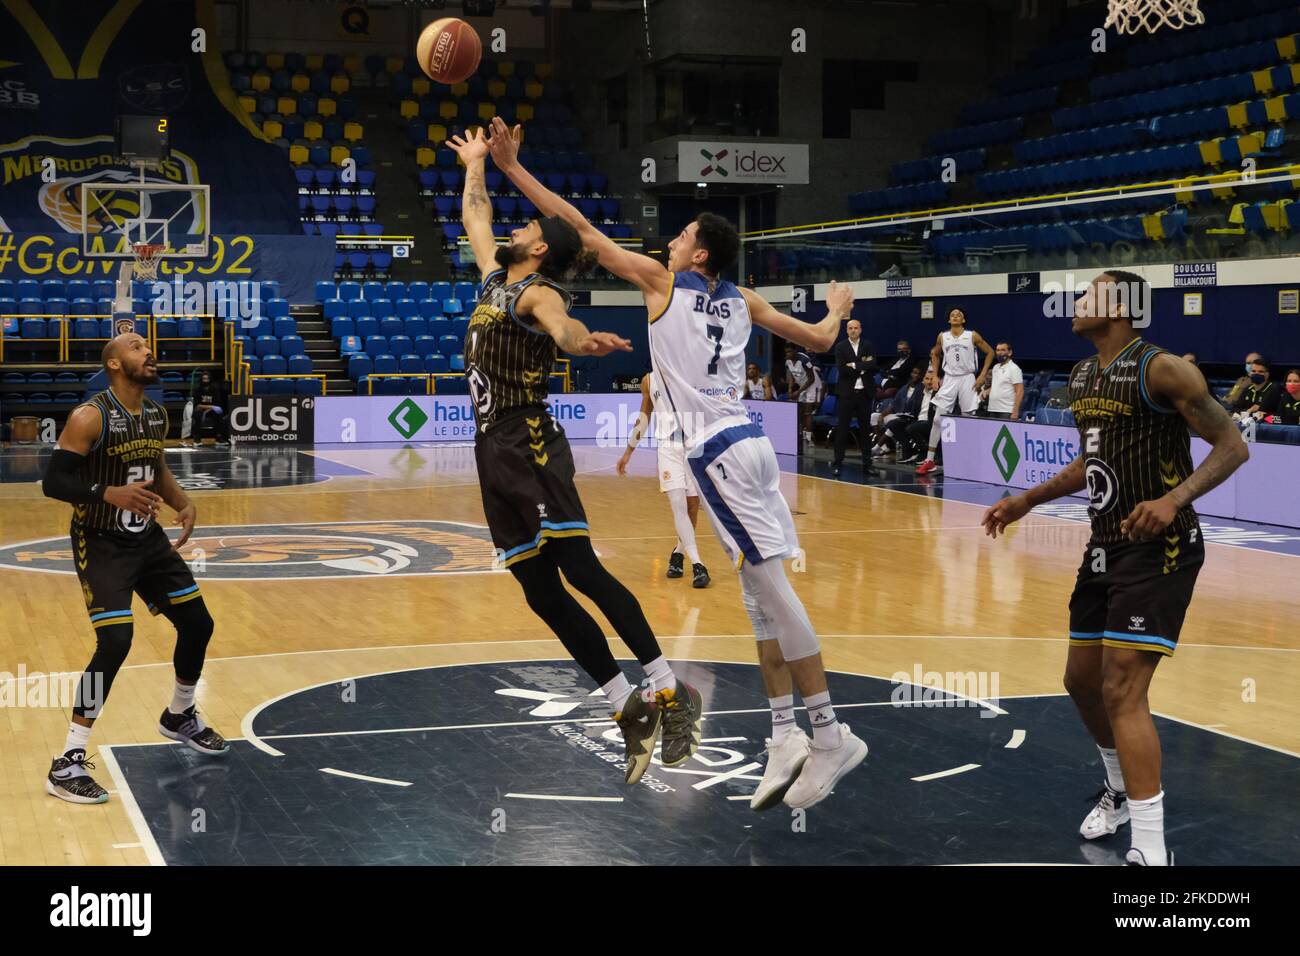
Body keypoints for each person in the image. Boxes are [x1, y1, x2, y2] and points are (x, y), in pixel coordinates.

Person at [489, 116, 867, 811]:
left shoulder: (664, 283)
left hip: (719, 451)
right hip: (751, 442)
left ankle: (829, 732)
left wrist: (513, 169)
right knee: (756, 599)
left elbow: (578, 227)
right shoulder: (744, 299)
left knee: (776, 596)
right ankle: (784, 734)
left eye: (684, 233)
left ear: (699, 256)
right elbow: (818, 339)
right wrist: (839, 309)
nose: (672, 238)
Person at [446, 127, 703, 785]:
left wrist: (582, 342)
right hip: (492, 451)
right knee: (538, 590)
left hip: (529, 441)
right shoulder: (495, 278)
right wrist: (475, 164)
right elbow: (476, 217)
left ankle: (670, 689)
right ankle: (625, 705)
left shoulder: (539, 293)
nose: (516, 227)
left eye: (528, 225)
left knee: (579, 568)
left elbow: (564, 328)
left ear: (539, 248)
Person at [982, 270, 1249, 866]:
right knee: (1081, 681)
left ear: (1120, 305)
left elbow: (1234, 446)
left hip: (1163, 547)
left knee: (1122, 687)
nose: (1077, 302)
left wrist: (1174, 498)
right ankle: (1121, 789)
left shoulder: (1162, 369)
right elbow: (1090, 460)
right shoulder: (1082, 375)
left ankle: (1151, 847)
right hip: (1105, 544)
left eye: (1088, 293)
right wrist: (1028, 499)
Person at [40, 333, 228, 804]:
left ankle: (179, 714)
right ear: (113, 363)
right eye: (136, 346)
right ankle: (68, 761)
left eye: (147, 345)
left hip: (147, 538)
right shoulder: (89, 416)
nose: (148, 351)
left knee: (198, 623)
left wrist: (182, 502)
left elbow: (156, 468)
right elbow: (53, 481)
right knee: (116, 641)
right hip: (101, 541)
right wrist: (108, 493)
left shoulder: (155, 413)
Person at [616, 371, 711, 588]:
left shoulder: (690, 371)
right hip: (668, 447)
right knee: (678, 504)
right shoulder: (649, 380)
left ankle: (678, 553)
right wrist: (629, 451)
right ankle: (698, 564)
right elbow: (643, 418)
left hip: (695, 446)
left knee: (692, 507)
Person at [916, 307, 993, 474]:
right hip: (950, 378)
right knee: (938, 419)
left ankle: (972, 459)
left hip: (967, 378)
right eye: (952, 315)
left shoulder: (972, 335)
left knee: (968, 419)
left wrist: (982, 375)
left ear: (963, 320)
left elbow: (990, 353)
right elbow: (935, 354)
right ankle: (929, 460)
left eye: (959, 314)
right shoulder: (942, 336)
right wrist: (935, 375)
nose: (955, 316)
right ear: (949, 320)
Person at [831, 318, 878, 477]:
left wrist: (854, 365)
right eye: (850, 328)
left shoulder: (867, 345)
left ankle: (868, 464)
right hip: (846, 394)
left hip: (864, 393)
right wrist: (862, 366)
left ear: (860, 329)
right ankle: (837, 463)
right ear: (846, 330)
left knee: (865, 430)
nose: (853, 330)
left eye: (856, 328)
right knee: (842, 430)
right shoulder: (840, 347)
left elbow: (873, 365)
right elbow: (842, 369)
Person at [875, 364, 926, 457]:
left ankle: (878, 447)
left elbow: (917, 408)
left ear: (921, 376)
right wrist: (882, 415)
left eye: (918, 373)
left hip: (911, 416)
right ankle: (884, 447)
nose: (915, 375)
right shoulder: (905, 387)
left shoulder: (921, 388)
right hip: (900, 413)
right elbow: (894, 405)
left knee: (892, 423)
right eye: (914, 372)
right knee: (874, 417)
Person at [784, 342, 824, 445]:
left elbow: (811, 378)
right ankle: (802, 434)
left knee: (808, 411)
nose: (788, 354)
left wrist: (798, 392)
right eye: (786, 352)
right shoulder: (788, 361)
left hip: (813, 385)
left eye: (790, 351)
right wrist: (790, 389)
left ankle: (809, 439)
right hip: (802, 385)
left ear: (795, 351)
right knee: (800, 411)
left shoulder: (804, 360)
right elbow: (792, 376)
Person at [900, 368, 940, 464]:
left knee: (911, 428)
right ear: (923, 380)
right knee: (895, 424)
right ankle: (909, 452)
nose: (929, 382)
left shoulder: (938, 393)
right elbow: (914, 409)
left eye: (931, 379)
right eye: (927, 379)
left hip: (930, 422)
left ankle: (924, 452)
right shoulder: (919, 392)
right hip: (917, 419)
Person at [981, 341, 1024, 420]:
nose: (1000, 353)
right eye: (998, 350)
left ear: (1010, 353)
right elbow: (997, 386)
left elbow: (1020, 391)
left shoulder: (1014, 369)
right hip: (992, 409)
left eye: (1003, 350)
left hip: (1006, 411)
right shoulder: (995, 367)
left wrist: (1015, 411)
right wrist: (986, 391)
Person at [191, 370, 229, 445]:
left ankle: (218, 438)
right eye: (204, 379)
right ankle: (197, 439)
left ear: (210, 379)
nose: (205, 380)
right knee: (197, 415)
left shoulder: (214, 389)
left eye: (207, 379)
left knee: (218, 415)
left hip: (211, 410)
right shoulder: (198, 390)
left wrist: (207, 410)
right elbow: (197, 405)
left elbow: (217, 404)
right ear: (201, 379)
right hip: (201, 409)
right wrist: (208, 408)